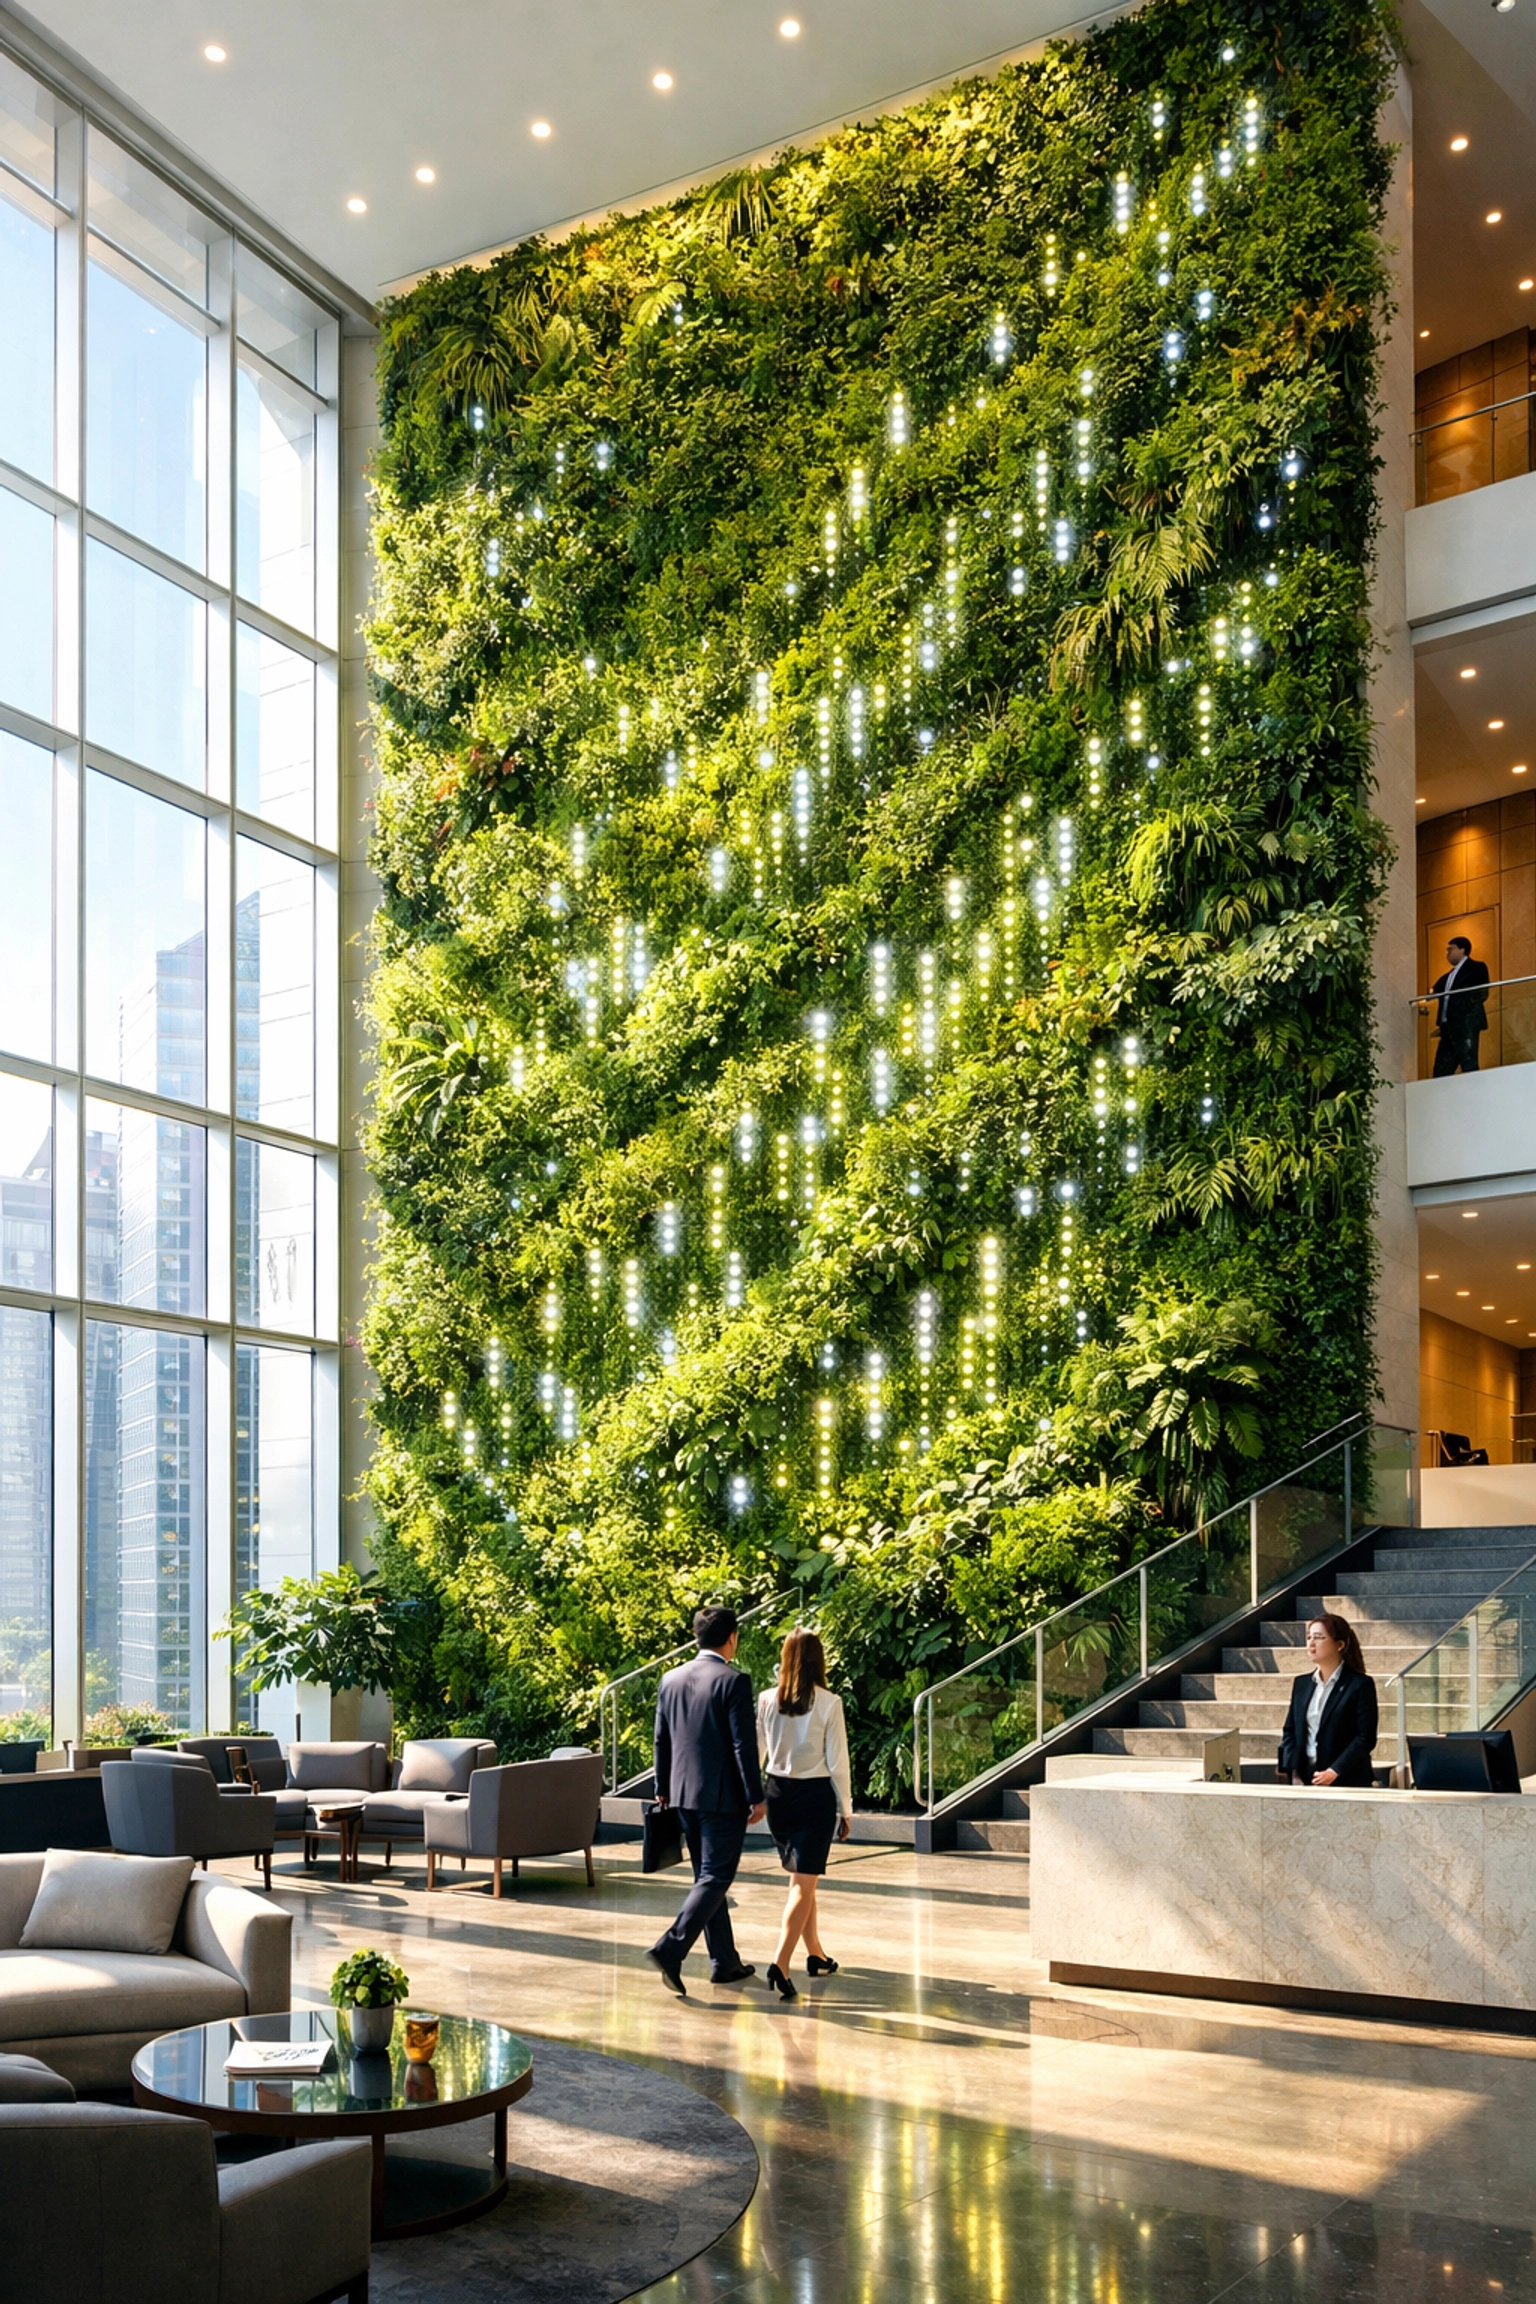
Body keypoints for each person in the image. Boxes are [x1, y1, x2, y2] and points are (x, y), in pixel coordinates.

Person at [646, 1604, 764, 1998]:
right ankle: (670, 1948)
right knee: (716, 1877)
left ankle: (725, 1961)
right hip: (722, 1799)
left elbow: (661, 1738)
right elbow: (741, 1744)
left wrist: (662, 1786)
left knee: (706, 1878)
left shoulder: (670, 1679)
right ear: (731, 1637)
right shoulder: (734, 1681)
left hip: (681, 1795)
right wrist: (756, 1795)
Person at [756, 1628, 853, 2001]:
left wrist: (755, 1798)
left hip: (777, 1793)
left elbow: (757, 1752)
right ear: (818, 1659)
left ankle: (816, 1954)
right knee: (802, 1883)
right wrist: (846, 1808)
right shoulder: (830, 1703)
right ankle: (780, 1964)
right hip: (814, 1797)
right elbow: (838, 1761)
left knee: (802, 1880)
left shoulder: (767, 1700)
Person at [1277, 1612, 1378, 1787]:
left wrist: (1334, 1771)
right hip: (1306, 1779)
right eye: (1309, 1637)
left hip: (1346, 1780)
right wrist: (1293, 1770)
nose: (1311, 1643)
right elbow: (1290, 1730)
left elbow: (1365, 1738)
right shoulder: (1301, 1684)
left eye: (1319, 1637)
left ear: (1339, 1644)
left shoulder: (1360, 1685)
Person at [1431, 935, 1491, 1076]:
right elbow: (1433, 992)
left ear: (1462, 949)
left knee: (1468, 1061)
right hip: (1448, 1027)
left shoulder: (1476, 967)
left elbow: (1482, 992)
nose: (1448, 953)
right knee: (1441, 1069)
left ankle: (1473, 1094)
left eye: (1451, 949)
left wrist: (1464, 1013)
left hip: (1466, 1023)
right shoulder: (1447, 977)